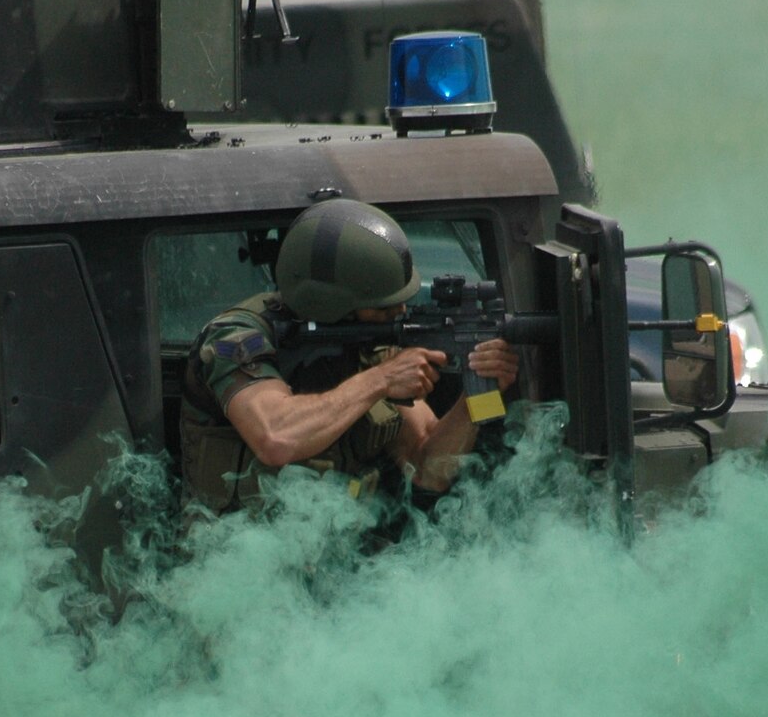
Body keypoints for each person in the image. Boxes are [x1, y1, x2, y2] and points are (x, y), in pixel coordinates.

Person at [179, 199, 519, 514]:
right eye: (383, 306)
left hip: (342, 560)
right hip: (238, 563)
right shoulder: (235, 338)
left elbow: (429, 471)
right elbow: (275, 438)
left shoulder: (373, 347)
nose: (400, 312)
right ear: (331, 305)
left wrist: (482, 396)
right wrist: (382, 380)